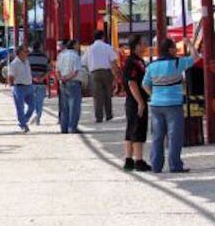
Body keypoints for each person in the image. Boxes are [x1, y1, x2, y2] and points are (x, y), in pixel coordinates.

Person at [141, 36, 200, 173]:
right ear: (170, 49)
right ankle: (175, 166)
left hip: (156, 105)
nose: (176, 49)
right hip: (173, 104)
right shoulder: (177, 63)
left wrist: (153, 95)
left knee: (157, 136)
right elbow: (196, 57)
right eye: (174, 47)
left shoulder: (152, 66)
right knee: (174, 136)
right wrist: (189, 44)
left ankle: (156, 166)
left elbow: (144, 84)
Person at [122, 35, 151, 171]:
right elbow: (132, 82)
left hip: (135, 100)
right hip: (135, 100)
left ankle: (129, 159)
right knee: (138, 128)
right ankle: (138, 160)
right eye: (143, 43)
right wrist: (140, 101)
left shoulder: (138, 61)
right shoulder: (132, 62)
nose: (145, 46)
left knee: (131, 128)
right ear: (137, 46)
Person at [84, 29, 120, 123]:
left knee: (97, 96)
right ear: (103, 37)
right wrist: (116, 74)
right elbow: (113, 61)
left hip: (94, 73)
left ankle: (98, 117)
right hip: (106, 72)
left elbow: (84, 62)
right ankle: (108, 115)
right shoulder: (107, 47)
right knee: (108, 94)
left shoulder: (89, 48)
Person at [56, 40, 83, 134]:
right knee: (74, 106)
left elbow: (57, 70)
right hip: (73, 82)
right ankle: (72, 127)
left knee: (64, 107)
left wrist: (61, 78)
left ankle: (64, 127)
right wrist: (68, 78)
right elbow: (76, 71)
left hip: (62, 83)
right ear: (74, 45)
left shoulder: (61, 55)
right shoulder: (75, 56)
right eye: (77, 44)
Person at [8, 46, 36, 133]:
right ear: (20, 53)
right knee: (20, 107)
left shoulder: (27, 61)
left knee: (32, 106)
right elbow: (10, 77)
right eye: (25, 51)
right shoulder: (14, 64)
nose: (27, 52)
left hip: (29, 86)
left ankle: (24, 121)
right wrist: (12, 87)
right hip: (19, 87)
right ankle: (23, 124)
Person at [28, 41, 51, 125]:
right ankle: (38, 118)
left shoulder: (28, 57)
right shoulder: (45, 57)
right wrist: (42, 78)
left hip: (31, 82)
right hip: (42, 82)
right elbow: (49, 70)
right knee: (40, 101)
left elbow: (26, 70)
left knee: (31, 100)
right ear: (40, 47)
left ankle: (33, 114)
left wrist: (33, 77)